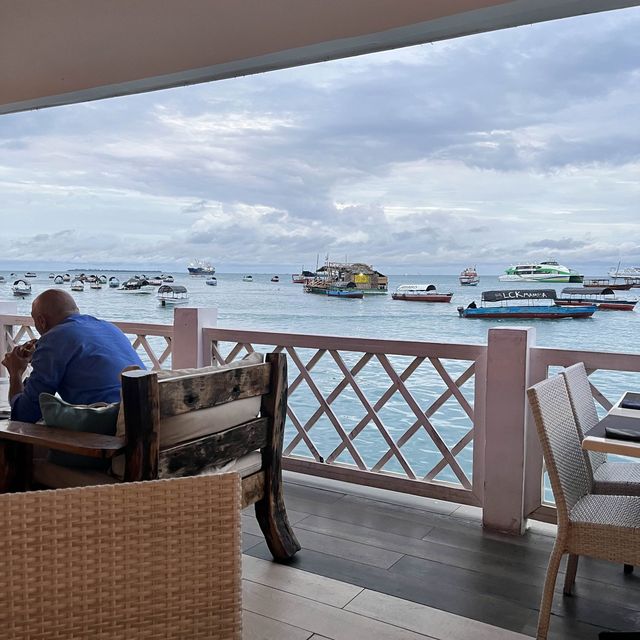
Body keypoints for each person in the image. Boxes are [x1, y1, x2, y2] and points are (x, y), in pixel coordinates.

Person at [2, 289, 145, 423]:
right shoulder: (109, 327)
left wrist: (15, 372)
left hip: (111, 427)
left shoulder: (53, 339)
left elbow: (25, 415)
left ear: (41, 321)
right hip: (146, 414)